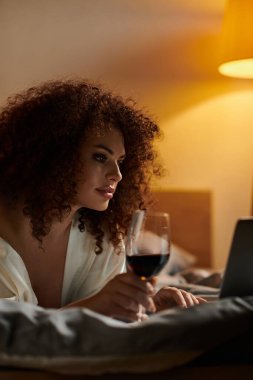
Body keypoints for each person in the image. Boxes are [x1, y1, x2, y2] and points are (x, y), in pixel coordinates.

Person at [0, 79, 205, 322]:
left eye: (120, 162)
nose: (117, 175)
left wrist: (144, 310)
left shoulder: (103, 240)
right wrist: (93, 306)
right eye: (100, 157)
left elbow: (104, 323)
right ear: (55, 154)